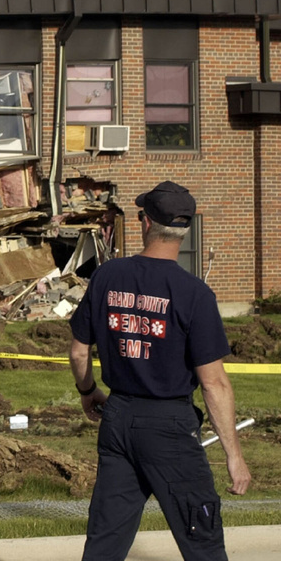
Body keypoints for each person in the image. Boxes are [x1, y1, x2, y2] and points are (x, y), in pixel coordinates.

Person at [68, 180, 251, 561]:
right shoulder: (194, 294)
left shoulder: (107, 276)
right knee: (202, 539)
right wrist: (234, 455)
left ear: (145, 223)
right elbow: (214, 383)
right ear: (185, 230)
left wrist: (88, 392)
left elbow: (78, 351)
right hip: (169, 425)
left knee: (105, 540)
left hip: (117, 419)